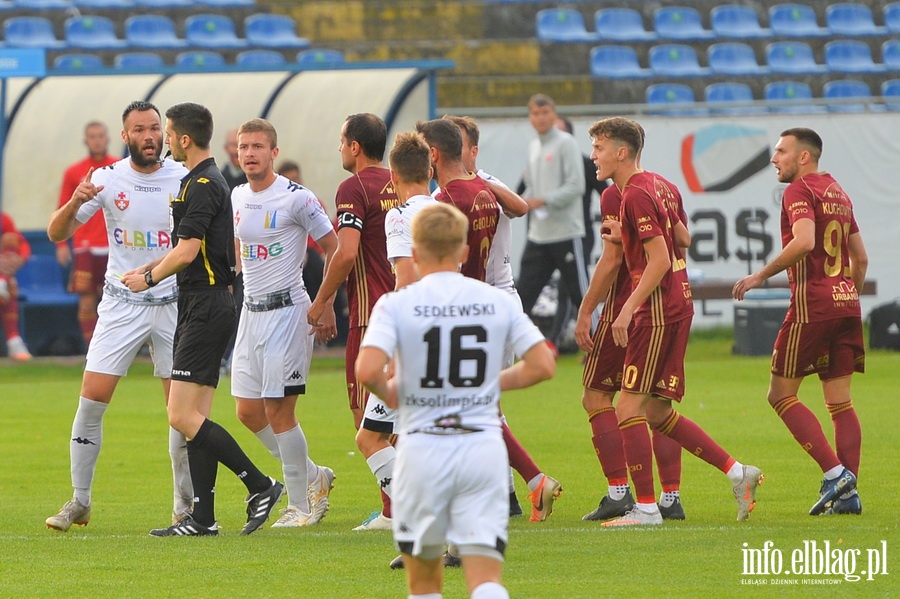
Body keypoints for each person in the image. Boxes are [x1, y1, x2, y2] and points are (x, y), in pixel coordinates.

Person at [356, 202, 556, 599]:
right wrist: (488, 384)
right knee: (485, 580)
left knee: (425, 585)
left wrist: (394, 392)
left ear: (414, 253)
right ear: (464, 252)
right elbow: (543, 364)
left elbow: (366, 370)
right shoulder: (494, 300)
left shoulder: (396, 304)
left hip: (423, 449)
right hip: (481, 449)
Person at [587, 116, 762, 526]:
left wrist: (628, 308)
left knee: (628, 406)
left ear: (621, 152)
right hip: (681, 304)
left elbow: (662, 257)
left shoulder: (633, 196)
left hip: (657, 311)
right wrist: (627, 235)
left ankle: (646, 508)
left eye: (599, 147)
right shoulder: (662, 185)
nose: (593, 155)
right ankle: (739, 473)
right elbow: (682, 239)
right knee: (658, 411)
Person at [122, 102, 284, 537]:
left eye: (169, 133)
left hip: (206, 307)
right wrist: (150, 267)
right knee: (196, 417)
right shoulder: (201, 180)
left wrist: (150, 278)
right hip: (203, 302)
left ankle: (260, 484)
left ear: (184, 139)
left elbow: (189, 252)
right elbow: (188, 247)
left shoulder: (203, 183)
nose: (165, 140)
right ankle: (203, 518)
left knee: (179, 414)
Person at [45, 101, 190, 531]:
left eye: (154, 129)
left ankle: (184, 506)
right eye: (139, 130)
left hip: (171, 304)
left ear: (164, 134)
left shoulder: (183, 179)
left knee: (179, 411)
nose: (149, 136)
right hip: (121, 303)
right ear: (124, 136)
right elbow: (57, 232)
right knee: (91, 401)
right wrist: (74, 203)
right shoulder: (106, 179)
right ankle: (80, 500)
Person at [733, 128, 866, 516]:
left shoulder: (799, 190)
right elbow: (861, 258)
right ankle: (848, 494)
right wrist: (847, 295)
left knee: (780, 394)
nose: (774, 158)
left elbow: (806, 241)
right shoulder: (838, 191)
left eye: (781, 151)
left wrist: (760, 276)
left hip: (812, 307)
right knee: (840, 402)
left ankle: (835, 473)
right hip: (845, 303)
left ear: (803, 157)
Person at [441, 114, 562, 523]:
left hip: (491, 297)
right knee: (483, 404)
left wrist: (479, 182)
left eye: (460, 144)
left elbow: (521, 206)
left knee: (473, 403)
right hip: (481, 301)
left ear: (473, 151)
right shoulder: (444, 190)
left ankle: (531, 482)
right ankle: (511, 492)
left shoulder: (480, 183)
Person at [229, 119, 338, 528]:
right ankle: (314, 476)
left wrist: (325, 303)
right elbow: (242, 241)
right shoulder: (238, 195)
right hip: (250, 312)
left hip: (287, 311)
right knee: (247, 411)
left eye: (258, 146)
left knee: (279, 410)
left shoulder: (298, 199)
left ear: (274, 152)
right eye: (244, 147)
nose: (250, 153)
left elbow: (334, 248)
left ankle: (301, 506)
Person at [307, 113, 399, 530]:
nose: (340, 148)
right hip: (409, 314)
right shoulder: (404, 182)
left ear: (355, 147)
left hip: (371, 319)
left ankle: (404, 510)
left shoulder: (354, 187)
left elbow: (345, 252)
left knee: (369, 422)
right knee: (395, 419)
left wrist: (321, 300)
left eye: (342, 141)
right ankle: (395, 511)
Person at [516, 94, 587, 353]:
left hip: (566, 232)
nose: (541, 118)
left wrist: (543, 200)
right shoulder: (533, 146)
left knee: (582, 295)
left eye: (545, 113)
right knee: (521, 296)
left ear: (554, 115)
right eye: (535, 113)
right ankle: (513, 351)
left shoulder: (565, 143)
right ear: (530, 117)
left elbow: (576, 186)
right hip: (539, 235)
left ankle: (605, 350)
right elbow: (531, 187)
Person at [55, 121, 118, 348]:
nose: (97, 140)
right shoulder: (74, 172)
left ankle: (115, 347)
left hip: (114, 245)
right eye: (92, 136)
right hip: (85, 245)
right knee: (86, 300)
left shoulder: (117, 168)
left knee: (117, 299)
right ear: (86, 140)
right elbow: (64, 208)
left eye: (101, 135)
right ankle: (91, 348)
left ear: (108, 138)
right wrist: (62, 245)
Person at [219, 128, 249, 376]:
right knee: (229, 306)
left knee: (243, 305)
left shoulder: (256, 181)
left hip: (252, 255)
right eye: (233, 145)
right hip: (228, 253)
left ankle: (238, 356)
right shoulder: (220, 179)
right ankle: (226, 354)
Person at [0, 212, 32, 361]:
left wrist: (19, 259)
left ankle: (14, 341)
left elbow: (22, 245)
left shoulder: (3, 219)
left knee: (10, 239)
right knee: (7, 286)